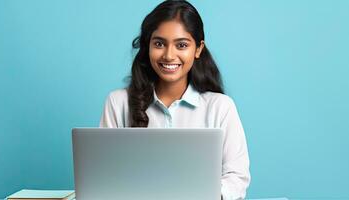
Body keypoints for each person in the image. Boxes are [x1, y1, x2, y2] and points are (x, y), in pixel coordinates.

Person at [99, 0, 250, 199]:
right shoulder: (118, 103)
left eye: (181, 45)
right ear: (147, 47)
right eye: (159, 44)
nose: (169, 55)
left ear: (197, 49)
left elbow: (236, 178)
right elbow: (103, 176)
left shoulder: (220, 107)